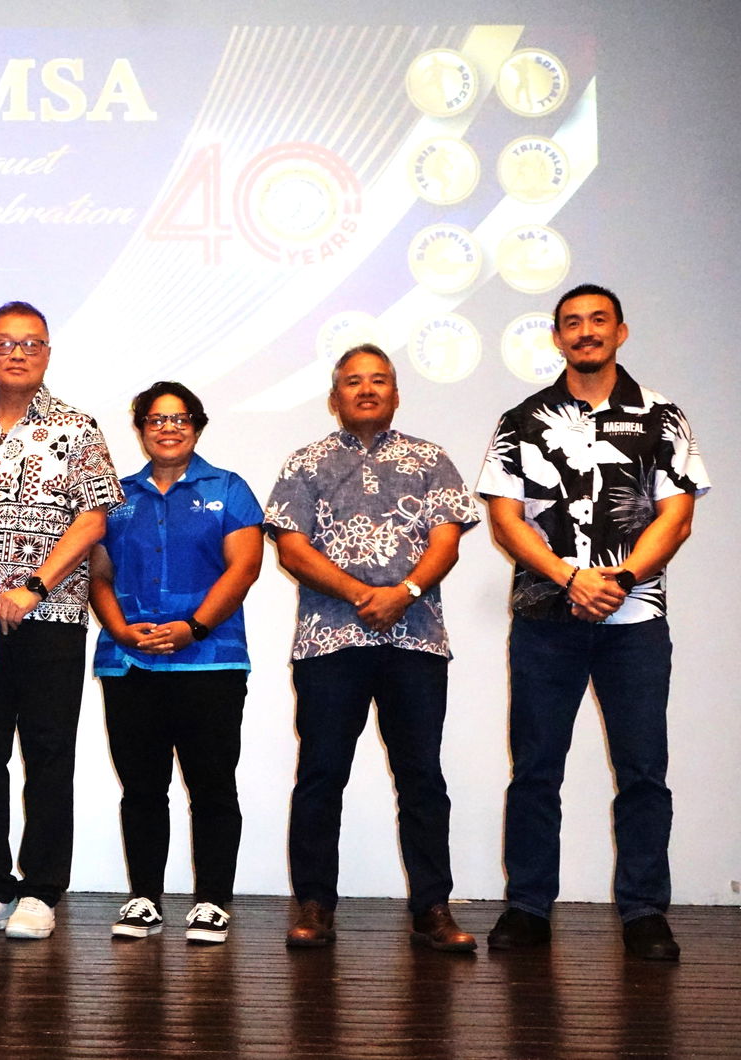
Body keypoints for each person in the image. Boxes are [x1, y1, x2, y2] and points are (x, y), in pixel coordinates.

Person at [477, 284, 709, 961]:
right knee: (535, 769)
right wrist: (570, 577)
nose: (585, 332)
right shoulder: (521, 419)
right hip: (546, 618)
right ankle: (527, 908)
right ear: (556, 338)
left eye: (597, 321)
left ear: (621, 332)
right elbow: (505, 519)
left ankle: (644, 912)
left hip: (635, 621)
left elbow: (678, 514)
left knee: (642, 771)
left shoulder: (663, 415)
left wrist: (623, 578)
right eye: (572, 323)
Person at [262, 344, 480, 952]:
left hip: (416, 640)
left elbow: (447, 540)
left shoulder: (431, 458)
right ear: (334, 398)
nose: (366, 390)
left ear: (396, 392)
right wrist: (365, 594)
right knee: (321, 775)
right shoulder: (305, 462)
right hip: (330, 641)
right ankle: (313, 905)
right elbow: (291, 548)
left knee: (422, 778)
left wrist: (405, 591)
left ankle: (433, 909)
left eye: (378, 381)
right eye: (352, 382)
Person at [0, 300, 123, 940]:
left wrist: (34, 586)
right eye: (4, 343)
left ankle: (40, 891)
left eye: (30, 343)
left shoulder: (77, 427)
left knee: (47, 755)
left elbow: (94, 519)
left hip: (53, 612)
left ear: (46, 353)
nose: (17, 352)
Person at [89, 382, 262, 943]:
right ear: (140, 428)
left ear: (198, 426)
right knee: (141, 787)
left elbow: (243, 568)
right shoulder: (115, 496)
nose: (169, 427)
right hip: (131, 664)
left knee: (212, 786)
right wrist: (118, 629)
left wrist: (194, 628)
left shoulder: (230, 490)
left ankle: (213, 900)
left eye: (181, 418)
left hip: (210, 663)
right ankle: (143, 898)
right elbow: (99, 574)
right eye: (157, 419)